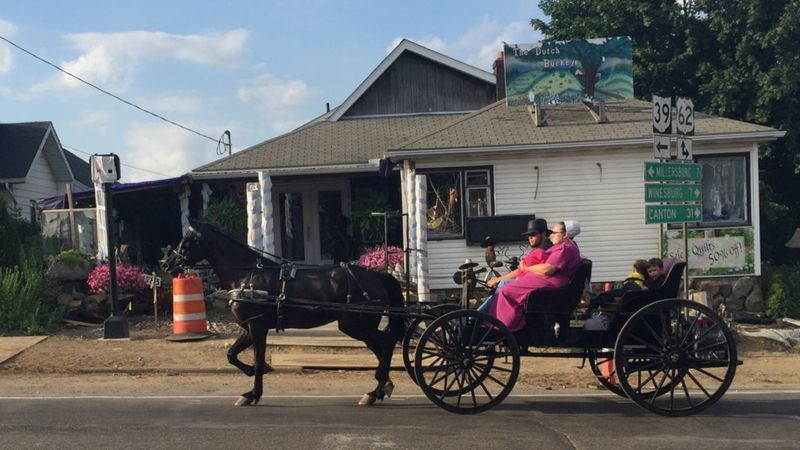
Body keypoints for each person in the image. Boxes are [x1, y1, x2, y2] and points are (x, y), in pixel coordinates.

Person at [486, 221, 583, 332]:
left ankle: (505, 325)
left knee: (507, 290)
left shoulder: (565, 248)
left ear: (565, 234)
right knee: (508, 285)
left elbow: (547, 269)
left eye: (555, 232)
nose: (552, 235)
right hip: (553, 280)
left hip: (553, 282)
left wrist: (526, 268)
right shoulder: (568, 247)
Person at [477, 218, 552, 313]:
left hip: (531, 289)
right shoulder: (543, 249)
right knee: (502, 285)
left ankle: (476, 317)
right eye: (528, 235)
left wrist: (497, 280)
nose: (530, 238)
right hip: (529, 285)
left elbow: (520, 271)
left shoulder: (541, 252)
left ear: (544, 234)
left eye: (533, 234)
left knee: (503, 285)